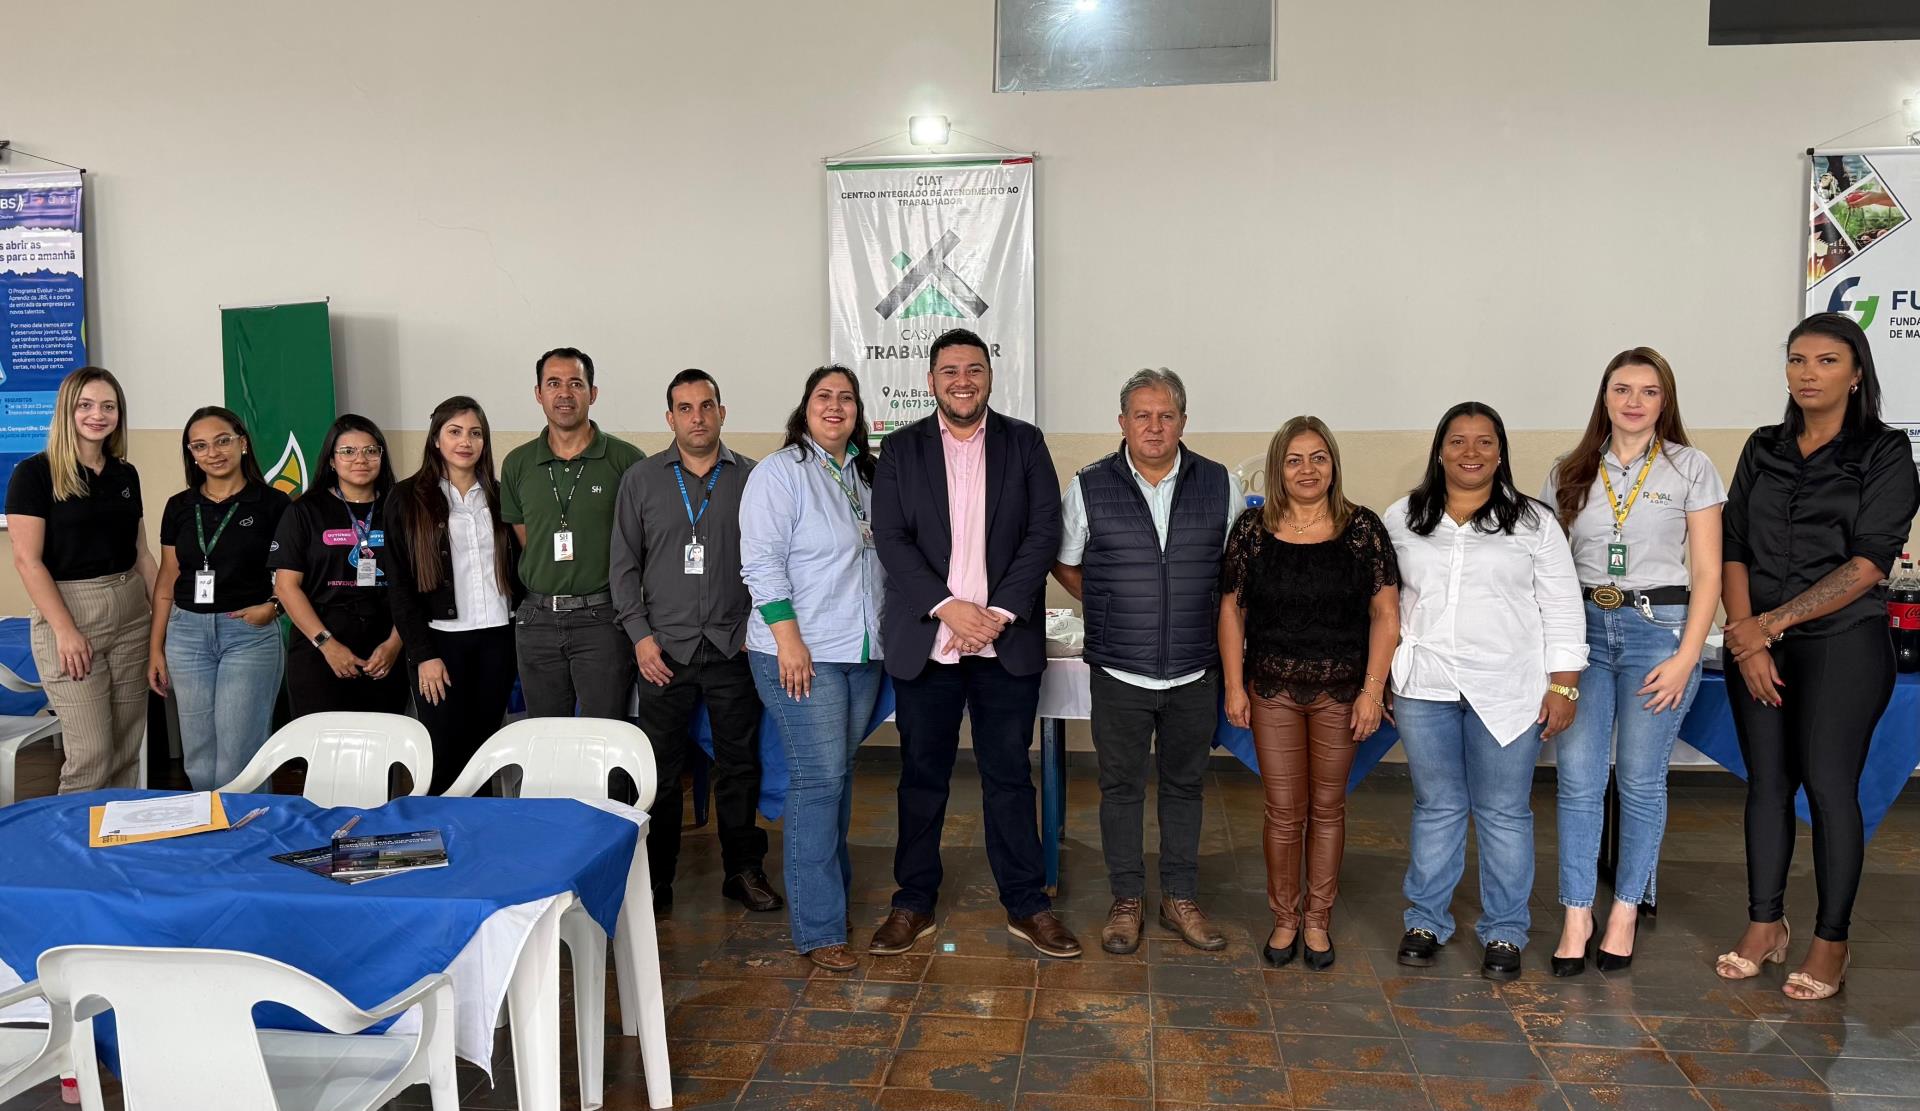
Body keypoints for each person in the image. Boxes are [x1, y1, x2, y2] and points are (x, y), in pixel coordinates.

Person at [1714, 313, 1920, 1001]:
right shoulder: (1763, 447)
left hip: (1843, 645)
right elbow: (1734, 545)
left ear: (1857, 373)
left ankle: (1832, 940)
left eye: (1827, 360)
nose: (1808, 373)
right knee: (1767, 785)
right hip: (1756, 642)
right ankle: (1764, 924)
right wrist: (1744, 634)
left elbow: (1869, 563)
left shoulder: (1885, 451)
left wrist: (1768, 625)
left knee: (1830, 789)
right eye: (1797, 359)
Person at [869, 328, 1077, 960]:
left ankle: (1027, 903)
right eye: (950, 371)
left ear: (990, 375)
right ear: (931, 381)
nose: (963, 381)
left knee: (1009, 776)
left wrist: (997, 614)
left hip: (1003, 643)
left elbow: (1043, 531)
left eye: (974, 369)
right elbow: (891, 538)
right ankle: (912, 902)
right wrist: (949, 609)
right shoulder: (900, 449)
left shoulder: (1025, 442)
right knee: (921, 777)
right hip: (927, 642)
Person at [1386, 402, 1586, 981]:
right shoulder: (1402, 517)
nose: (1470, 452)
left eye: (1484, 442)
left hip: (1507, 688)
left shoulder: (1534, 522)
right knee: (1437, 806)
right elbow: (1383, 603)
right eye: (1457, 441)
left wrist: (1565, 686)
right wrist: (1383, 678)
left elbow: (1563, 608)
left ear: (1500, 453)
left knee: (1503, 812)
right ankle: (1426, 919)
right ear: (1439, 450)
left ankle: (1505, 929)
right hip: (1426, 685)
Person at [1541, 349, 1724, 977]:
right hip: (1584, 632)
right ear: (1605, 397)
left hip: (1658, 632)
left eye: (1649, 391)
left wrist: (1687, 657)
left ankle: (1623, 910)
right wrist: (1554, 657)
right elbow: (1549, 570)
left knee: (1642, 781)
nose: (1634, 402)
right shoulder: (1569, 470)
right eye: (1623, 389)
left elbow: (1708, 573)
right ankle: (1576, 914)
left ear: (1664, 401)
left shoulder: (1691, 467)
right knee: (1579, 779)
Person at [1052, 368, 1240, 955]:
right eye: (1142, 415)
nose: (1154, 427)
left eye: (1166, 415)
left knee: (1185, 787)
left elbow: (1236, 574)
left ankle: (1179, 897)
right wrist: (1110, 602)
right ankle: (1127, 899)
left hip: (1195, 670)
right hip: (1119, 671)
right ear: (1122, 422)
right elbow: (1065, 561)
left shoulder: (1221, 484)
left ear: (1183, 421)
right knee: (1120, 789)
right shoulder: (1088, 486)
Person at [1220, 416, 1399, 971]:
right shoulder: (1252, 530)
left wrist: (1373, 691)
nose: (1307, 469)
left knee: (1327, 809)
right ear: (1278, 468)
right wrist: (1234, 686)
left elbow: (1386, 613)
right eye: (1294, 460)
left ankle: (1318, 920)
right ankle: (1285, 917)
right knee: (1282, 811)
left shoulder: (1362, 528)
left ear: (1333, 465)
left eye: (1318, 457)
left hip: (1341, 691)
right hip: (1271, 687)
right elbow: (1231, 610)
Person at [612, 369, 781, 914]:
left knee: (740, 765)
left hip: (734, 647)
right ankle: (656, 880)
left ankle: (743, 870)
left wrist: (757, 629)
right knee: (661, 773)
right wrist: (640, 638)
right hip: (663, 652)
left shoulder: (753, 478)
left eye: (706, 406)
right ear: (670, 419)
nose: (697, 417)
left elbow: (773, 560)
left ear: (722, 412)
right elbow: (623, 567)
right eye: (685, 408)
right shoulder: (641, 480)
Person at [739, 365, 885, 970]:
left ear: (858, 413)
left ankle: (829, 898)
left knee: (836, 779)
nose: (835, 406)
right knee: (819, 782)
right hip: (800, 652)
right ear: (805, 408)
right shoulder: (780, 473)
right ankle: (819, 927)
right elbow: (761, 562)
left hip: (859, 652)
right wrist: (788, 639)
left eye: (846, 398)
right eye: (824, 396)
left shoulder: (866, 475)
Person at [6, 367, 157, 792]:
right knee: (91, 754)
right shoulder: (34, 474)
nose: (98, 415)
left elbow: (142, 555)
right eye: (85, 405)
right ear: (66, 410)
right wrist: (65, 631)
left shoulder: (125, 474)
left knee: (125, 749)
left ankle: (118, 830)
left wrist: (166, 618)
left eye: (108, 406)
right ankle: (75, 833)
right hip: (71, 612)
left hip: (131, 612)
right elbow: (28, 561)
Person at [146, 407, 291, 789]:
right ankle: (211, 824)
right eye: (200, 446)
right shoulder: (179, 506)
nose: (213, 452)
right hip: (186, 634)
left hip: (247, 634)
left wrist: (274, 608)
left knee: (238, 756)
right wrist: (156, 648)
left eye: (222, 441)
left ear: (242, 443)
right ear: (191, 454)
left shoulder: (273, 504)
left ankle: (246, 823)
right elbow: (167, 578)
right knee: (199, 757)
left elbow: (294, 577)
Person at [499, 347, 646, 724]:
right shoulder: (517, 463)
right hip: (536, 620)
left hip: (603, 619)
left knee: (604, 732)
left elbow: (641, 543)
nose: (564, 393)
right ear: (538, 393)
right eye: (553, 383)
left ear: (592, 393)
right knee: (544, 734)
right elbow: (527, 539)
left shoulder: (626, 460)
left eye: (575, 383)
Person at [384, 397, 522, 794]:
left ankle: (481, 830)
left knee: (484, 751)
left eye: (475, 433)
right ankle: (442, 830)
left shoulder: (500, 496)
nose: (466, 442)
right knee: (444, 752)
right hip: (440, 643)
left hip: (497, 639)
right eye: (455, 432)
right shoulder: (406, 498)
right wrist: (422, 654)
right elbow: (400, 586)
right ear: (436, 439)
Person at [270, 414, 408, 717]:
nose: (360, 459)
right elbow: (286, 587)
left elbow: (417, 584)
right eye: (348, 451)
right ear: (332, 460)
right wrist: (327, 645)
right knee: (322, 741)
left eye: (370, 451)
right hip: (320, 646)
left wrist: (395, 644)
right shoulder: (304, 511)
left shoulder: (401, 509)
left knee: (382, 740)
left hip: (386, 647)